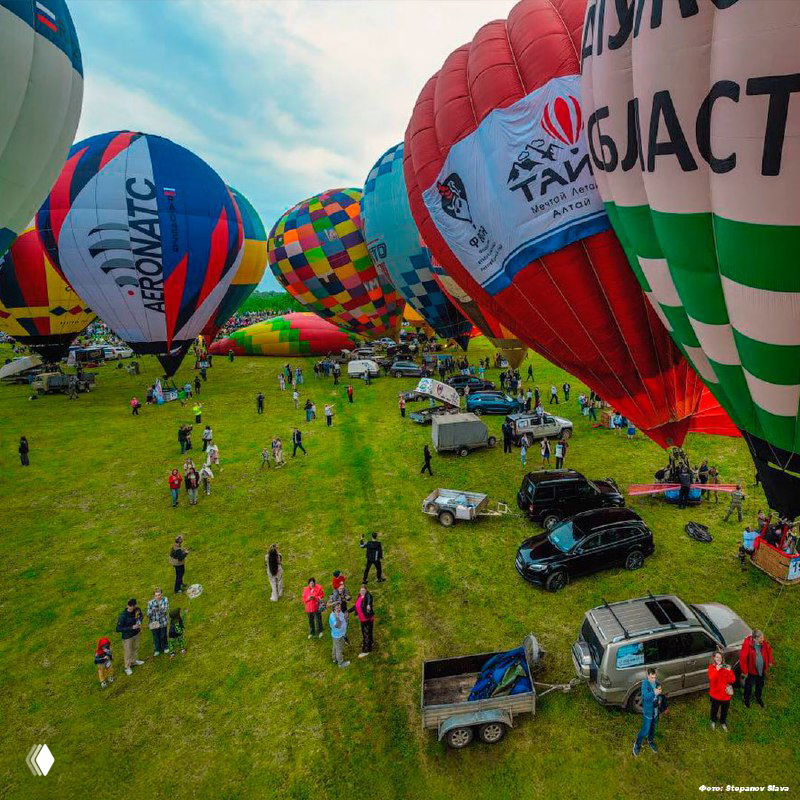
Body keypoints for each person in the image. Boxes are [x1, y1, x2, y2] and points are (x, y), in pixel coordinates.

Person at [740, 630, 773, 708]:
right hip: (752, 671)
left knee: (760, 685)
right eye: (761, 638)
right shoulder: (748, 645)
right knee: (748, 686)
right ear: (755, 639)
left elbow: (769, 651)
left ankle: (758, 697)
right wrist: (745, 671)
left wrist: (770, 661)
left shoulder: (764, 644)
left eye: (763, 637)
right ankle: (746, 699)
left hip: (761, 670)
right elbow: (742, 658)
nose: (763, 639)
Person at [632, 668, 661, 756]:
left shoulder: (657, 683)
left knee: (652, 728)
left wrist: (659, 699)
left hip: (655, 711)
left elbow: (659, 695)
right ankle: (637, 745)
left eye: (655, 677)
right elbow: (645, 697)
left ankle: (650, 740)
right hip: (648, 712)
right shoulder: (645, 684)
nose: (654, 679)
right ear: (648, 676)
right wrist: (654, 693)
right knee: (645, 730)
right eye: (652, 677)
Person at [708, 651, 736, 731]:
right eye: (717, 657)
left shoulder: (726, 667)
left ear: (722, 659)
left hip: (725, 695)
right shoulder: (711, 667)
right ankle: (713, 720)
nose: (718, 659)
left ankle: (723, 722)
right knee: (714, 709)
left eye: (720, 657)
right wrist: (716, 670)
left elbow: (732, 680)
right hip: (715, 694)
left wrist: (730, 671)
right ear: (713, 658)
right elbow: (711, 679)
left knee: (725, 710)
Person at [116, 599, 144, 676]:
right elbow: (118, 629)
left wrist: (139, 621)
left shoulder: (137, 610)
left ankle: (134, 661)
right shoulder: (123, 616)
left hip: (136, 633)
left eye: (133, 606)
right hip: (127, 637)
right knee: (128, 651)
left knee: (135, 647)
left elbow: (141, 615)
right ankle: (127, 667)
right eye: (131, 606)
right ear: (127, 606)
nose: (132, 608)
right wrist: (131, 627)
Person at [146, 588, 169, 657]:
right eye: (156, 595)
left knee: (163, 635)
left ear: (161, 594)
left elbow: (165, 610)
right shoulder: (151, 603)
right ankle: (157, 649)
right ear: (154, 596)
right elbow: (148, 614)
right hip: (154, 622)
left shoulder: (165, 600)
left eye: (159, 595)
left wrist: (159, 608)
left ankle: (165, 647)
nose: (158, 597)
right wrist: (153, 610)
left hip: (162, 621)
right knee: (156, 636)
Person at [355, 584, 374, 657]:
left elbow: (369, 599)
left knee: (366, 633)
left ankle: (366, 650)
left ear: (366, 591)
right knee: (367, 633)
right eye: (361, 590)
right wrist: (348, 611)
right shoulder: (359, 596)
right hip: (362, 619)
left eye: (363, 590)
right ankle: (370, 643)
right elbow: (356, 606)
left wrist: (368, 605)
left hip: (367, 619)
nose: (362, 591)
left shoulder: (367, 596)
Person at [329, 602, 350, 668]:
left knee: (335, 646)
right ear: (333, 608)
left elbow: (343, 619)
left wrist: (346, 617)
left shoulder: (339, 612)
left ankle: (334, 658)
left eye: (339, 606)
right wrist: (337, 617)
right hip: (337, 635)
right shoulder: (333, 616)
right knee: (339, 649)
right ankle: (340, 663)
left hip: (341, 633)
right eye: (337, 607)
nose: (339, 608)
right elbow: (337, 626)